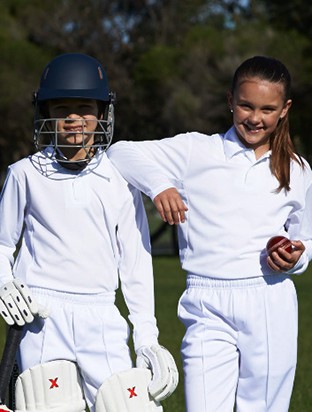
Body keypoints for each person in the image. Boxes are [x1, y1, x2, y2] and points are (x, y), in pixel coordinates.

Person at [107, 55, 312, 411]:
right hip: (205, 302)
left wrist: (295, 258)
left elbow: (305, 241)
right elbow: (120, 152)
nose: (255, 117)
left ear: (284, 109)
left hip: (269, 301)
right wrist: (160, 186)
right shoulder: (196, 150)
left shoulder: (297, 170)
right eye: (246, 105)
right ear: (230, 100)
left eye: (267, 108)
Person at [0, 53, 178, 412]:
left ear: (103, 113)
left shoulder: (118, 179)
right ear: (45, 113)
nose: (73, 119)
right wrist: (3, 279)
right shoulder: (24, 173)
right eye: (62, 108)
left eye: (84, 108)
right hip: (41, 315)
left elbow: (135, 264)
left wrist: (147, 338)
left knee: (129, 407)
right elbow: (2, 242)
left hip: (101, 313)